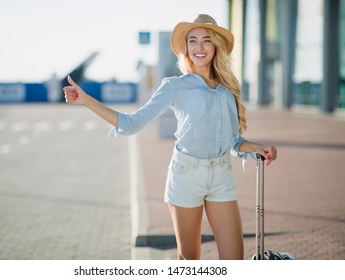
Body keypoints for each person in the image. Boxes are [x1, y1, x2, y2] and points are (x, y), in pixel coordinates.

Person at [63, 14, 277, 260]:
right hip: (186, 176)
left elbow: (233, 142)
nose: (199, 47)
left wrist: (257, 147)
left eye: (206, 40)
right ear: (186, 48)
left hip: (221, 177)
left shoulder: (227, 90)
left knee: (233, 261)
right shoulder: (175, 86)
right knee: (189, 262)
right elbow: (131, 124)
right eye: (193, 41)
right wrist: (85, 100)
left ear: (216, 45)